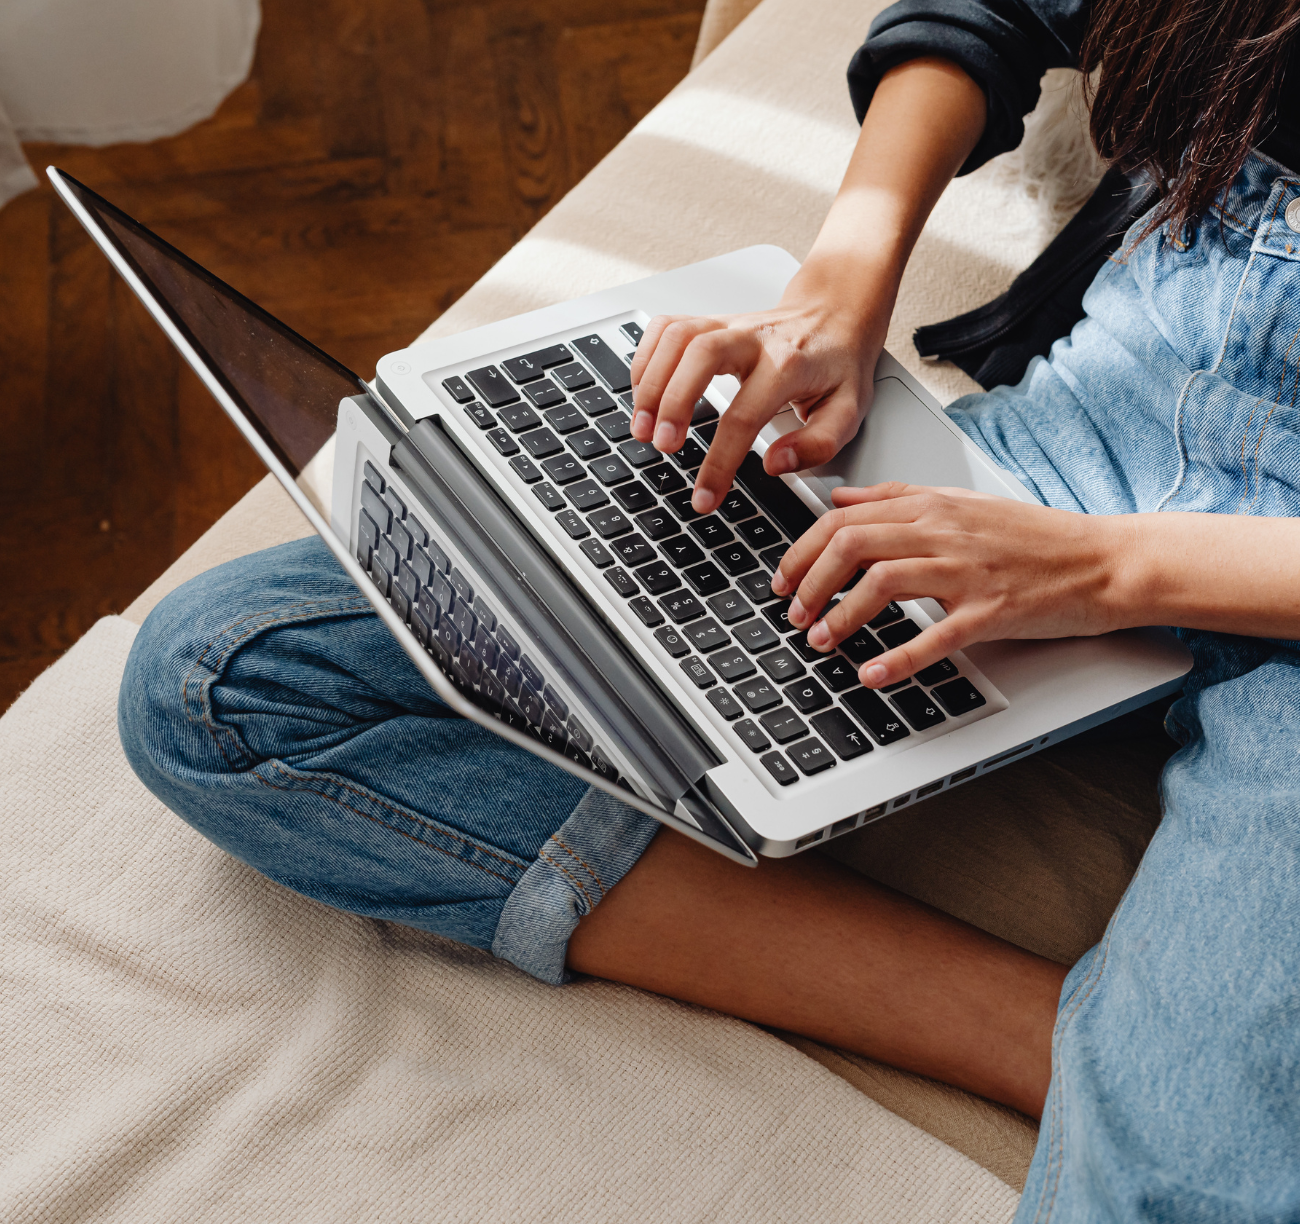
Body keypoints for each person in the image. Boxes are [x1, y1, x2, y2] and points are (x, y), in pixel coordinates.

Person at [119, 0, 1300, 1216]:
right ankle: (1062, 1050)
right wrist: (840, 279)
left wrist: (1105, 573)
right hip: (1090, 430)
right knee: (229, 681)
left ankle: (1161, 1108)